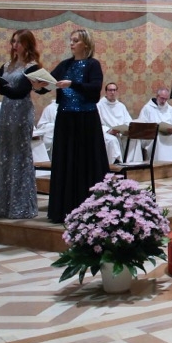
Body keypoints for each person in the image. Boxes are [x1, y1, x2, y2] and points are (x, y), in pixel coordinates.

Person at [0, 30, 47, 220]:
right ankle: (5, 205)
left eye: (18, 42)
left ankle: (21, 206)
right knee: (4, 155)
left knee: (20, 157)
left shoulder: (32, 68)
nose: (14, 45)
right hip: (6, 112)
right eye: (13, 41)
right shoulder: (7, 65)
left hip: (21, 112)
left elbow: (19, 92)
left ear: (27, 44)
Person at [46, 28, 109, 224]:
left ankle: (91, 208)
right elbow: (50, 81)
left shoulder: (92, 64)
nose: (71, 44)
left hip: (86, 120)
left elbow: (94, 89)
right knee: (66, 161)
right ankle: (63, 209)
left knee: (85, 161)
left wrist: (72, 84)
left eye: (76, 41)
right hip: (66, 119)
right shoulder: (65, 64)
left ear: (86, 44)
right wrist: (40, 85)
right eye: (71, 40)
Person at [137, 86, 172, 170]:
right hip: (154, 134)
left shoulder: (169, 108)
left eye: (166, 99)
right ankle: (159, 166)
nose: (164, 101)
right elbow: (142, 125)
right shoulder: (147, 108)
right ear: (157, 96)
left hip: (169, 133)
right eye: (162, 98)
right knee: (158, 138)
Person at [97, 82, 132, 164]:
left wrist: (126, 129)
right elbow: (97, 124)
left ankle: (131, 164)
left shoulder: (121, 106)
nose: (112, 92)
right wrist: (109, 130)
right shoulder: (99, 105)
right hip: (107, 133)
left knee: (133, 139)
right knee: (112, 140)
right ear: (106, 92)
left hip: (121, 133)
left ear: (117, 92)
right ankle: (114, 165)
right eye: (110, 90)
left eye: (114, 90)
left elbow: (128, 121)